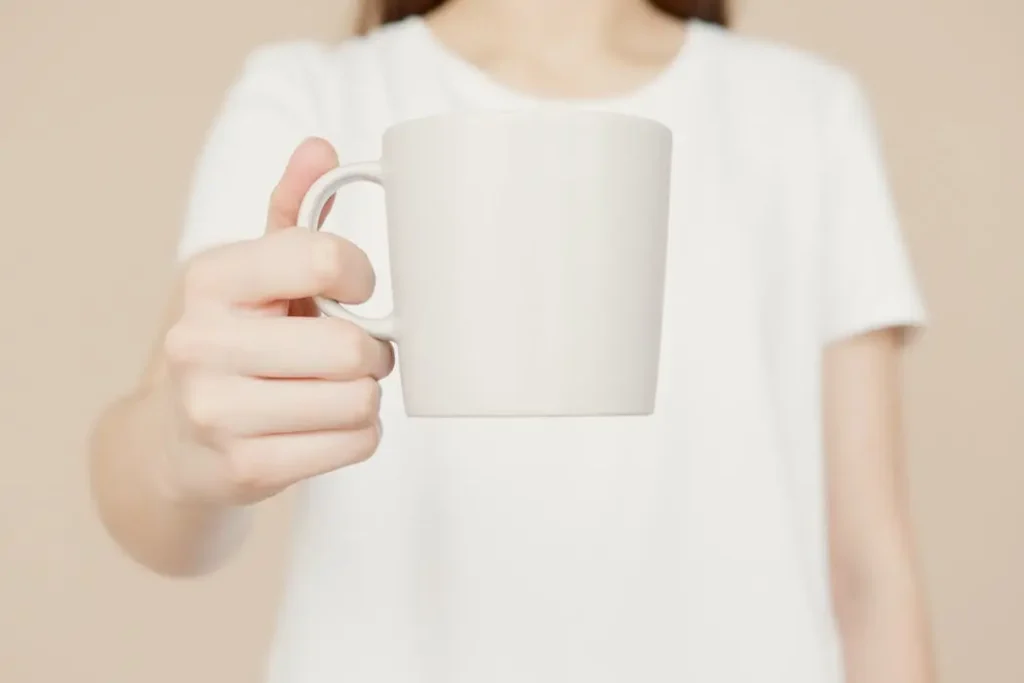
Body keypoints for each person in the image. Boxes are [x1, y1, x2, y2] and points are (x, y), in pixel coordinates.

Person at [88, 0, 937, 681]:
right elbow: (159, 510)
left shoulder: (806, 112)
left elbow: (870, 571)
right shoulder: (308, 95)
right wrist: (179, 450)